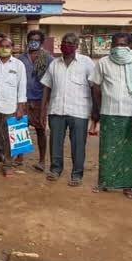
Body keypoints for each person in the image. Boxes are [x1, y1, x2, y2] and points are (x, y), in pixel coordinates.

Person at [91, 32, 132, 198]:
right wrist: (97, 109)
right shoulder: (103, 63)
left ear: (130, 46)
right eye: (116, 44)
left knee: (128, 151)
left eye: (123, 44)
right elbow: (96, 87)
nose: (119, 48)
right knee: (107, 148)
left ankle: (128, 186)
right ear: (111, 46)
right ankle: (105, 182)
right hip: (109, 111)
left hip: (130, 113)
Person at [40, 33, 94, 186]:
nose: (66, 45)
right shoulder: (54, 64)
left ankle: (77, 174)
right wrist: (43, 109)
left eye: (70, 43)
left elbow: (94, 87)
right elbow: (46, 87)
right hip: (56, 110)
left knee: (78, 145)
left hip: (79, 111)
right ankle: (55, 169)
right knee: (55, 143)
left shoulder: (86, 63)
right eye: (63, 42)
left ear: (76, 46)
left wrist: (95, 111)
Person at [0, 35, 27, 177]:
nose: (4, 49)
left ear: (12, 49)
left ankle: (8, 165)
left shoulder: (18, 65)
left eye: (7, 46)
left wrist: (20, 107)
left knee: (9, 137)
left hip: (11, 106)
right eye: (2, 46)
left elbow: (22, 87)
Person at [18, 29, 54, 171]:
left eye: (36, 40)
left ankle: (41, 160)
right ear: (27, 41)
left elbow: (51, 80)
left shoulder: (48, 58)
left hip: (40, 99)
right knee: (20, 128)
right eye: (31, 39)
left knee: (40, 129)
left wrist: (47, 102)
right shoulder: (21, 58)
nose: (33, 42)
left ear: (41, 42)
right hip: (24, 99)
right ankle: (19, 157)